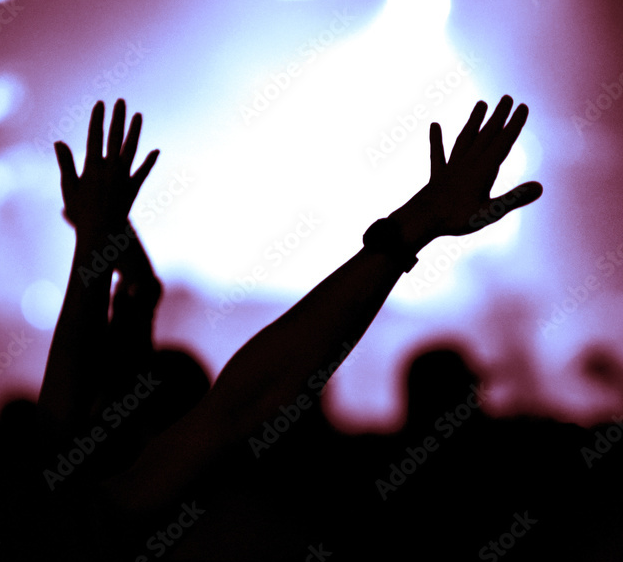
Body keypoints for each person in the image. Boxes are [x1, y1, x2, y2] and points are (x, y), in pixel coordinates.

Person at [40, 96, 544, 533]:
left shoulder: (38, 523)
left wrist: (104, 252)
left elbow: (57, 438)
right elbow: (242, 401)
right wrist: (417, 224)